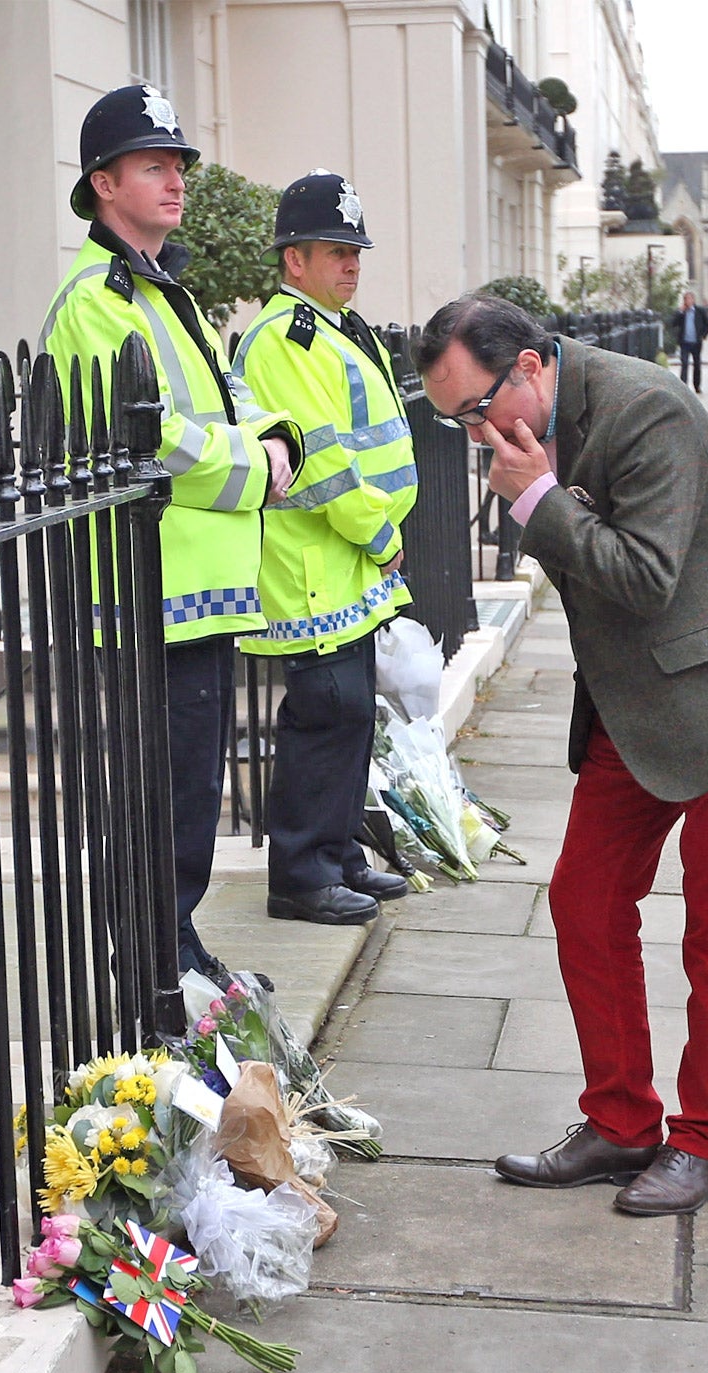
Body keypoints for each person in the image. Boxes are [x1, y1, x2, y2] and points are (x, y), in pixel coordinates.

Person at [416, 295, 708, 1216]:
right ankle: (621, 1123)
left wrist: (536, 502)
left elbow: (643, 573)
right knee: (585, 903)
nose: (475, 433)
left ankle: (705, 1143)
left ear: (528, 366)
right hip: (633, 708)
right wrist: (540, 493)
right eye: (455, 420)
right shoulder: (534, 423)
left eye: (477, 408)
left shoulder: (647, 410)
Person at [41, 84, 302, 987]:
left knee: (192, 792)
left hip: (199, 591)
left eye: (179, 164)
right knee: (165, 797)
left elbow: (224, 400)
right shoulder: (97, 299)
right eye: (155, 164)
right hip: (151, 594)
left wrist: (280, 439)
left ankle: (173, 947)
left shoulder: (164, 291)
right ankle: (154, 963)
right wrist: (257, 468)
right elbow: (149, 438)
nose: (177, 179)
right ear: (104, 182)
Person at [231, 171, 416, 927]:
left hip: (344, 562)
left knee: (350, 716)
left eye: (355, 250)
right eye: (334, 250)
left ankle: (335, 854)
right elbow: (321, 462)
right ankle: (300, 873)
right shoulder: (286, 338)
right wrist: (379, 530)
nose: (350, 264)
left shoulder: (336, 326)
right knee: (324, 713)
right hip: (316, 560)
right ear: (292, 259)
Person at [672, 291, 708, 393]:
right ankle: (683, 386)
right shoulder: (681, 312)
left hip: (696, 342)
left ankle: (697, 386)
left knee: (697, 364)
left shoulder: (700, 311)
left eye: (689, 299)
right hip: (685, 342)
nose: (687, 301)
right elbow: (673, 323)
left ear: (693, 300)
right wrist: (680, 312)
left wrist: (704, 335)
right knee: (684, 363)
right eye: (685, 299)